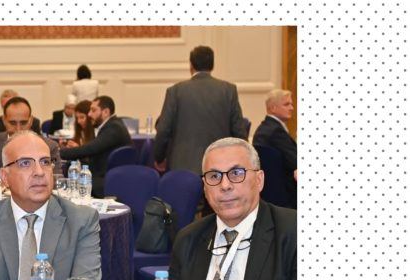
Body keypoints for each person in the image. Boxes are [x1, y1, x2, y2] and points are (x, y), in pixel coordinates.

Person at [0, 131, 102, 280]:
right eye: (25, 163)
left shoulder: (81, 221)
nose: (39, 172)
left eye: (45, 162)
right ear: (5, 177)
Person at [169, 137, 296, 280]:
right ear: (205, 187)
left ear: (259, 180)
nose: (225, 185)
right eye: (214, 176)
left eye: (236, 173)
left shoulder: (293, 232)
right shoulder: (188, 239)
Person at [153, 46, 247, 175]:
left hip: (182, 168)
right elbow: (239, 131)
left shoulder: (175, 91)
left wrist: (159, 157)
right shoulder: (228, 90)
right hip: (219, 166)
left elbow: (163, 129)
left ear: (191, 65)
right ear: (212, 65)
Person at [58, 96, 132, 198]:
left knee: (70, 183)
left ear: (106, 112)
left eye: (93, 110)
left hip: (106, 180)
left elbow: (91, 149)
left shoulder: (114, 128)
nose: (89, 114)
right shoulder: (112, 125)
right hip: (105, 175)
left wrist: (59, 153)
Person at [0, 96, 61, 174]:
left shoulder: (50, 147)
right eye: (12, 123)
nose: (18, 129)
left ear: (31, 121)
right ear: (4, 121)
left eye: (23, 123)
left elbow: (56, 180)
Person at [252, 89, 297, 207]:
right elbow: (295, 162)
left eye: (291, 104)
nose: (292, 108)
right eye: (286, 104)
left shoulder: (265, 128)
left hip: (269, 192)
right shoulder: (275, 131)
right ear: (273, 108)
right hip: (287, 195)